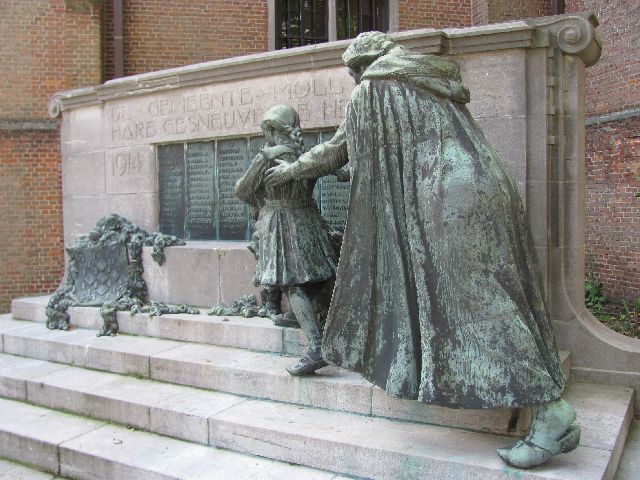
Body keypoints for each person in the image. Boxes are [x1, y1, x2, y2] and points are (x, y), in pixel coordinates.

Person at [264, 32, 580, 468]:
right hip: (484, 182)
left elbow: (336, 150)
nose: (355, 80)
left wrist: (288, 171)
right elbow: (404, 148)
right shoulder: (429, 81)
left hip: (445, 200)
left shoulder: (374, 88)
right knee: (502, 292)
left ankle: (550, 412)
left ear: (362, 64)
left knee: (481, 303)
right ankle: (547, 404)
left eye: (353, 72)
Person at [235, 104, 338, 375]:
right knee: (311, 275)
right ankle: (296, 315)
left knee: (292, 283)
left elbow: (242, 190)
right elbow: (335, 171)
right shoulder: (307, 154)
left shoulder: (267, 157)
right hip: (309, 220)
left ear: (271, 129)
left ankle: (316, 347)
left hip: (282, 223)